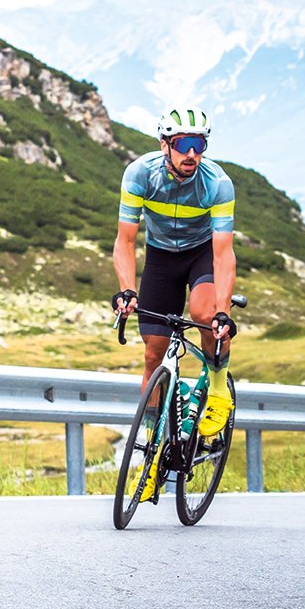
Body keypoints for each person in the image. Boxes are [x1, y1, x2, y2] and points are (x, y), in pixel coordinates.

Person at [111, 107, 237, 500]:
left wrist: (223, 311)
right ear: (165, 145)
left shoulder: (217, 184)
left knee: (203, 316)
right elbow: (125, 241)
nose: (192, 154)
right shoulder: (139, 175)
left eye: (199, 145)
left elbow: (223, 254)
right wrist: (127, 289)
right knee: (153, 355)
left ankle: (218, 387)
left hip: (202, 256)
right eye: (184, 145)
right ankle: (152, 452)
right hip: (162, 260)